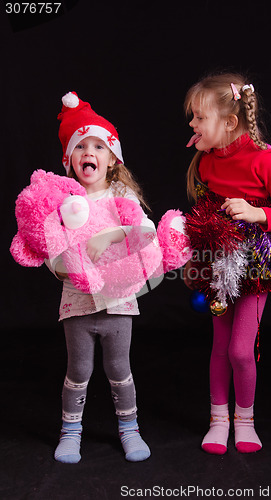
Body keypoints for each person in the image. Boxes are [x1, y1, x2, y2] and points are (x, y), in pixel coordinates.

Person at [183, 73, 271, 454]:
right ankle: (218, 419)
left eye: (199, 118)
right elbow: (203, 211)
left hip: (257, 265)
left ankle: (245, 418)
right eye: (192, 117)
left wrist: (257, 214)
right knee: (220, 346)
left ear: (230, 122)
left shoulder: (264, 161)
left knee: (241, 349)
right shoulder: (205, 163)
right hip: (220, 263)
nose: (192, 124)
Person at [47, 91, 154, 464]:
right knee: (78, 369)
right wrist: (61, 266)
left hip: (118, 301)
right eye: (80, 147)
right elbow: (49, 243)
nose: (88, 152)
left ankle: (129, 430)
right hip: (76, 302)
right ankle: (70, 432)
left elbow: (147, 231)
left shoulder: (121, 195)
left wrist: (113, 234)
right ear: (70, 160)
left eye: (97, 146)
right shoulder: (63, 200)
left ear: (111, 160)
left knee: (118, 367)